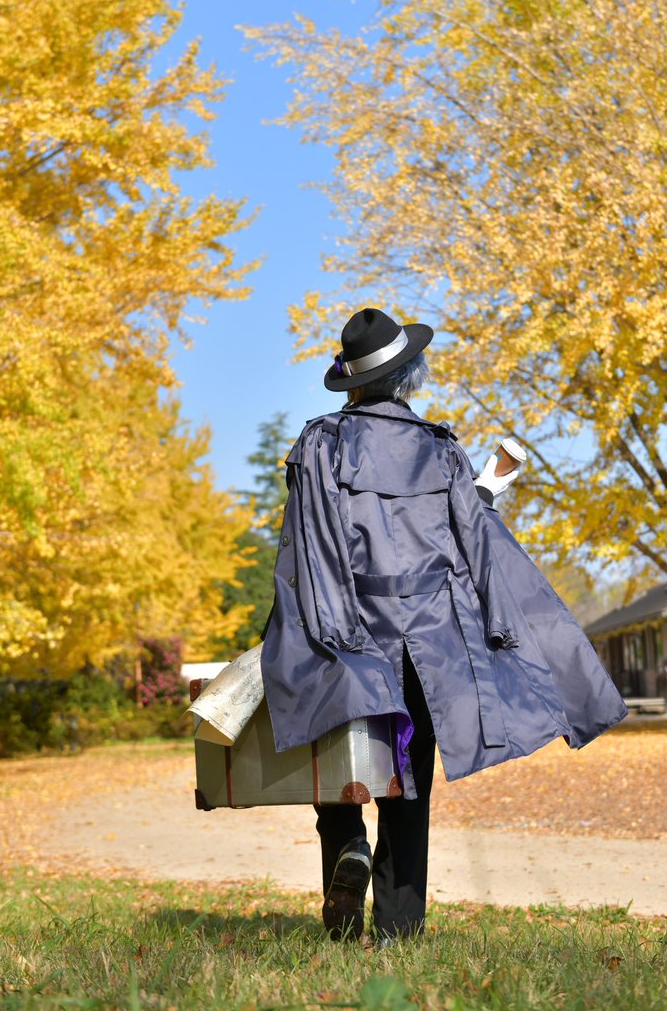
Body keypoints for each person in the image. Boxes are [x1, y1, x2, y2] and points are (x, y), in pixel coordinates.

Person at [261, 307, 626, 943]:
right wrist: (504, 620)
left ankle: (348, 851)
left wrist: (318, 636)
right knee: (408, 789)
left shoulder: (322, 443)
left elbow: (310, 546)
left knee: (337, 770)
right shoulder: (440, 449)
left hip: (349, 634)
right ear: (410, 376)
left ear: (353, 383)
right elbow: (472, 543)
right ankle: (398, 932)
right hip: (432, 645)